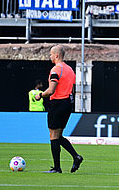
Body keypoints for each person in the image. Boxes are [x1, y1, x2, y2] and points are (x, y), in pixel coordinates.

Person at [34, 45, 83, 173]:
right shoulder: (70, 70)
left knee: (53, 136)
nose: (50, 56)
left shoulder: (56, 69)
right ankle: (76, 157)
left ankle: (57, 168)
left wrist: (39, 95)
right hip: (67, 103)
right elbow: (72, 89)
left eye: (51, 54)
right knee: (58, 135)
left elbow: (51, 90)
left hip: (57, 103)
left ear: (56, 55)